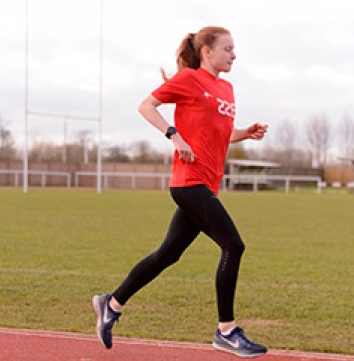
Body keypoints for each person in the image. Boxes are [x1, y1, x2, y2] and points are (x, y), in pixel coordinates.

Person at [92, 25, 269, 358]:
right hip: (189, 182)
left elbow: (219, 132)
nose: (234, 55)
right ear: (207, 52)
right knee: (233, 245)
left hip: (207, 182)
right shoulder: (189, 80)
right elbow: (146, 106)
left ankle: (110, 304)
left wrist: (245, 133)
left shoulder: (227, 88)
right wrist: (174, 135)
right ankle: (226, 331)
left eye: (234, 49)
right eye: (228, 49)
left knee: (168, 254)